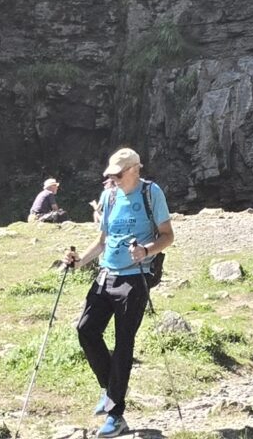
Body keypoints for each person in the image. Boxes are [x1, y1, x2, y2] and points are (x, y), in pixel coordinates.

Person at [63, 147, 173, 438]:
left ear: (135, 169)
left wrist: (145, 251)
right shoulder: (109, 196)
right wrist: (77, 262)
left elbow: (168, 236)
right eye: (110, 174)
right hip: (106, 275)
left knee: (124, 342)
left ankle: (116, 414)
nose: (113, 179)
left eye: (118, 174)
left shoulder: (152, 194)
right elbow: (101, 241)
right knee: (86, 330)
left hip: (136, 278)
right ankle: (110, 390)